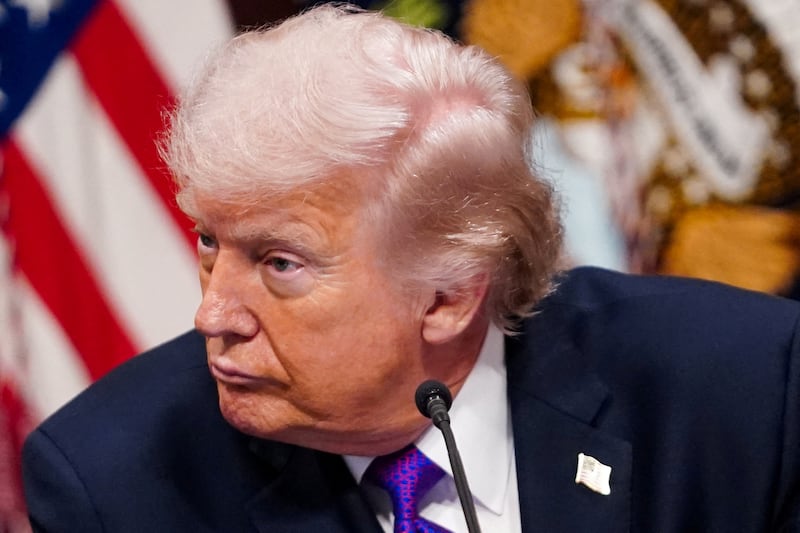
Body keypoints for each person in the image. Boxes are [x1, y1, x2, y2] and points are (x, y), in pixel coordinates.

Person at [21, 5, 800, 532]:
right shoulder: (116, 480)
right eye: (208, 242)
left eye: (279, 262)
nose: (214, 314)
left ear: (450, 294)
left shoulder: (743, 389)